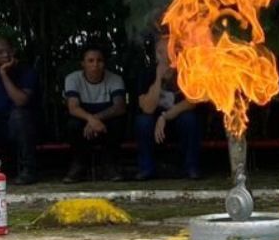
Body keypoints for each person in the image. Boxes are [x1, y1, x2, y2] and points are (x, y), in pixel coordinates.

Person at [135, 34, 201, 180]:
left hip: (175, 119)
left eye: (169, 50)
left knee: (189, 119)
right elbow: (147, 108)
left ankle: (191, 168)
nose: (165, 56)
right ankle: (147, 169)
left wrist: (165, 117)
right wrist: (158, 79)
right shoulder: (147, 73)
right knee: (142, 121)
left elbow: (191, 102)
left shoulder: (185, 72)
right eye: (160, 52)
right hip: (154, 123)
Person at [63, 44, 127, 183]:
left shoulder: (115, 79)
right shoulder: (72, 79)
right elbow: (73, 107)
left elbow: (120, 107)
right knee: (73, 125)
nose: (95, 65)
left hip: (105, 120)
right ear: (83, 64)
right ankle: (79, 165)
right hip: (82, 120)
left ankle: (109, 165)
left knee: (118, 124)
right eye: (90, 61)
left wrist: (95, 119)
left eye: (99, 60)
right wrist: (90, 119)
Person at [0, 37, 38, 185]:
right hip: (0, 125)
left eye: (8, 51)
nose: (5, 55)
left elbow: (20, 101)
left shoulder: (26, 71)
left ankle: (28, 170)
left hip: (24, 128)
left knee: (19, 115)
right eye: (0, 52)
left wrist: (3, 74)